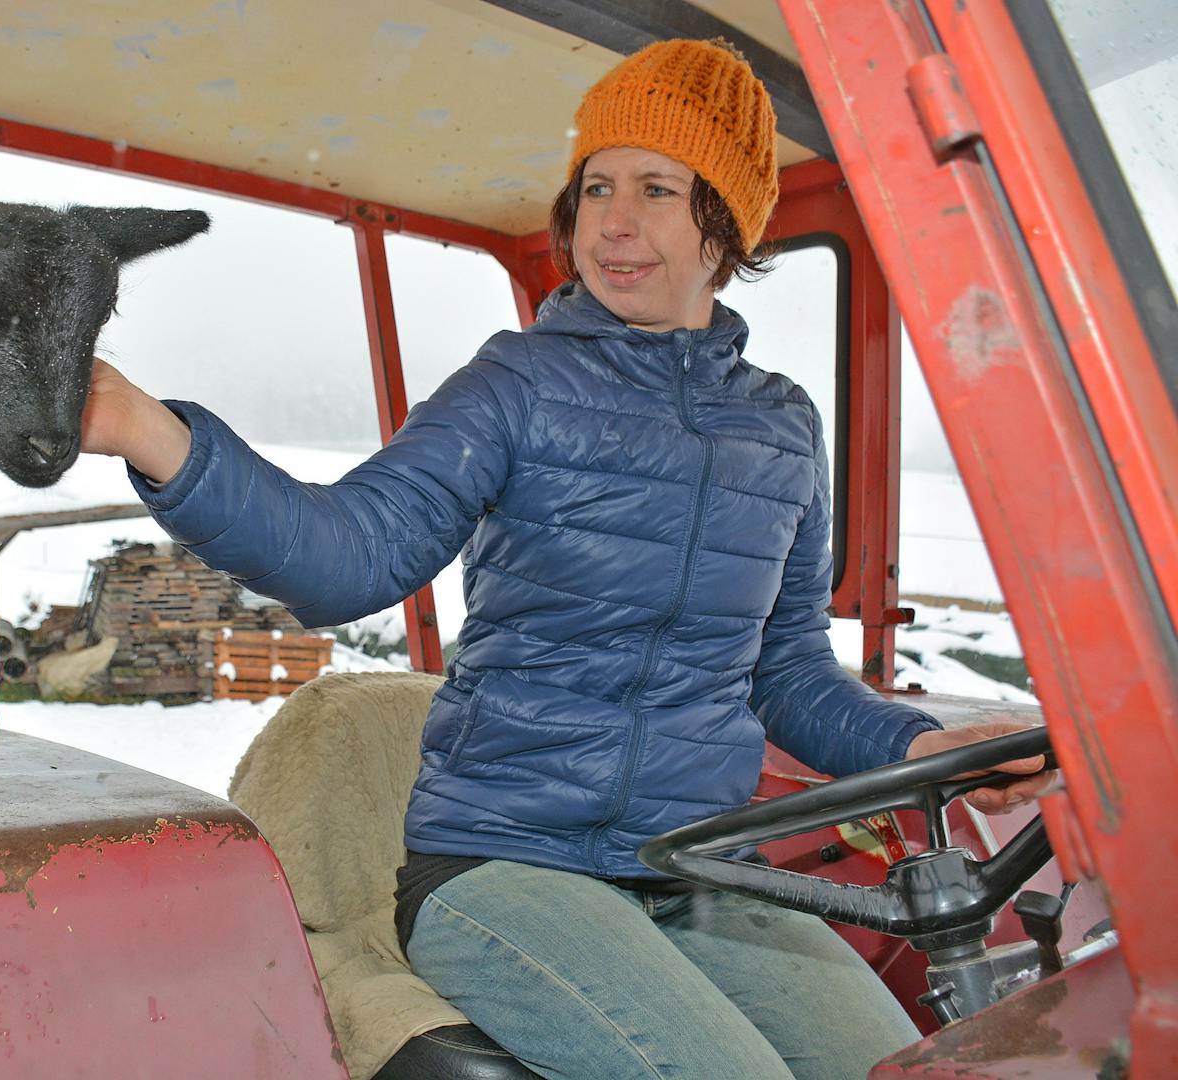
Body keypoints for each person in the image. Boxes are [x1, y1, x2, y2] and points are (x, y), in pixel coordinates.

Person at [79, 37, 1055, 1080]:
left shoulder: (781, 428)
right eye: (594, 187)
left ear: (725, 223)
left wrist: (909, 752)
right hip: (500, 864)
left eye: (654, 189)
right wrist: (146, 427)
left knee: (923, 1064)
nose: (611, 224)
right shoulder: (517, 386)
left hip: (696, 873)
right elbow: (342, 557)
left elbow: (786, 674)